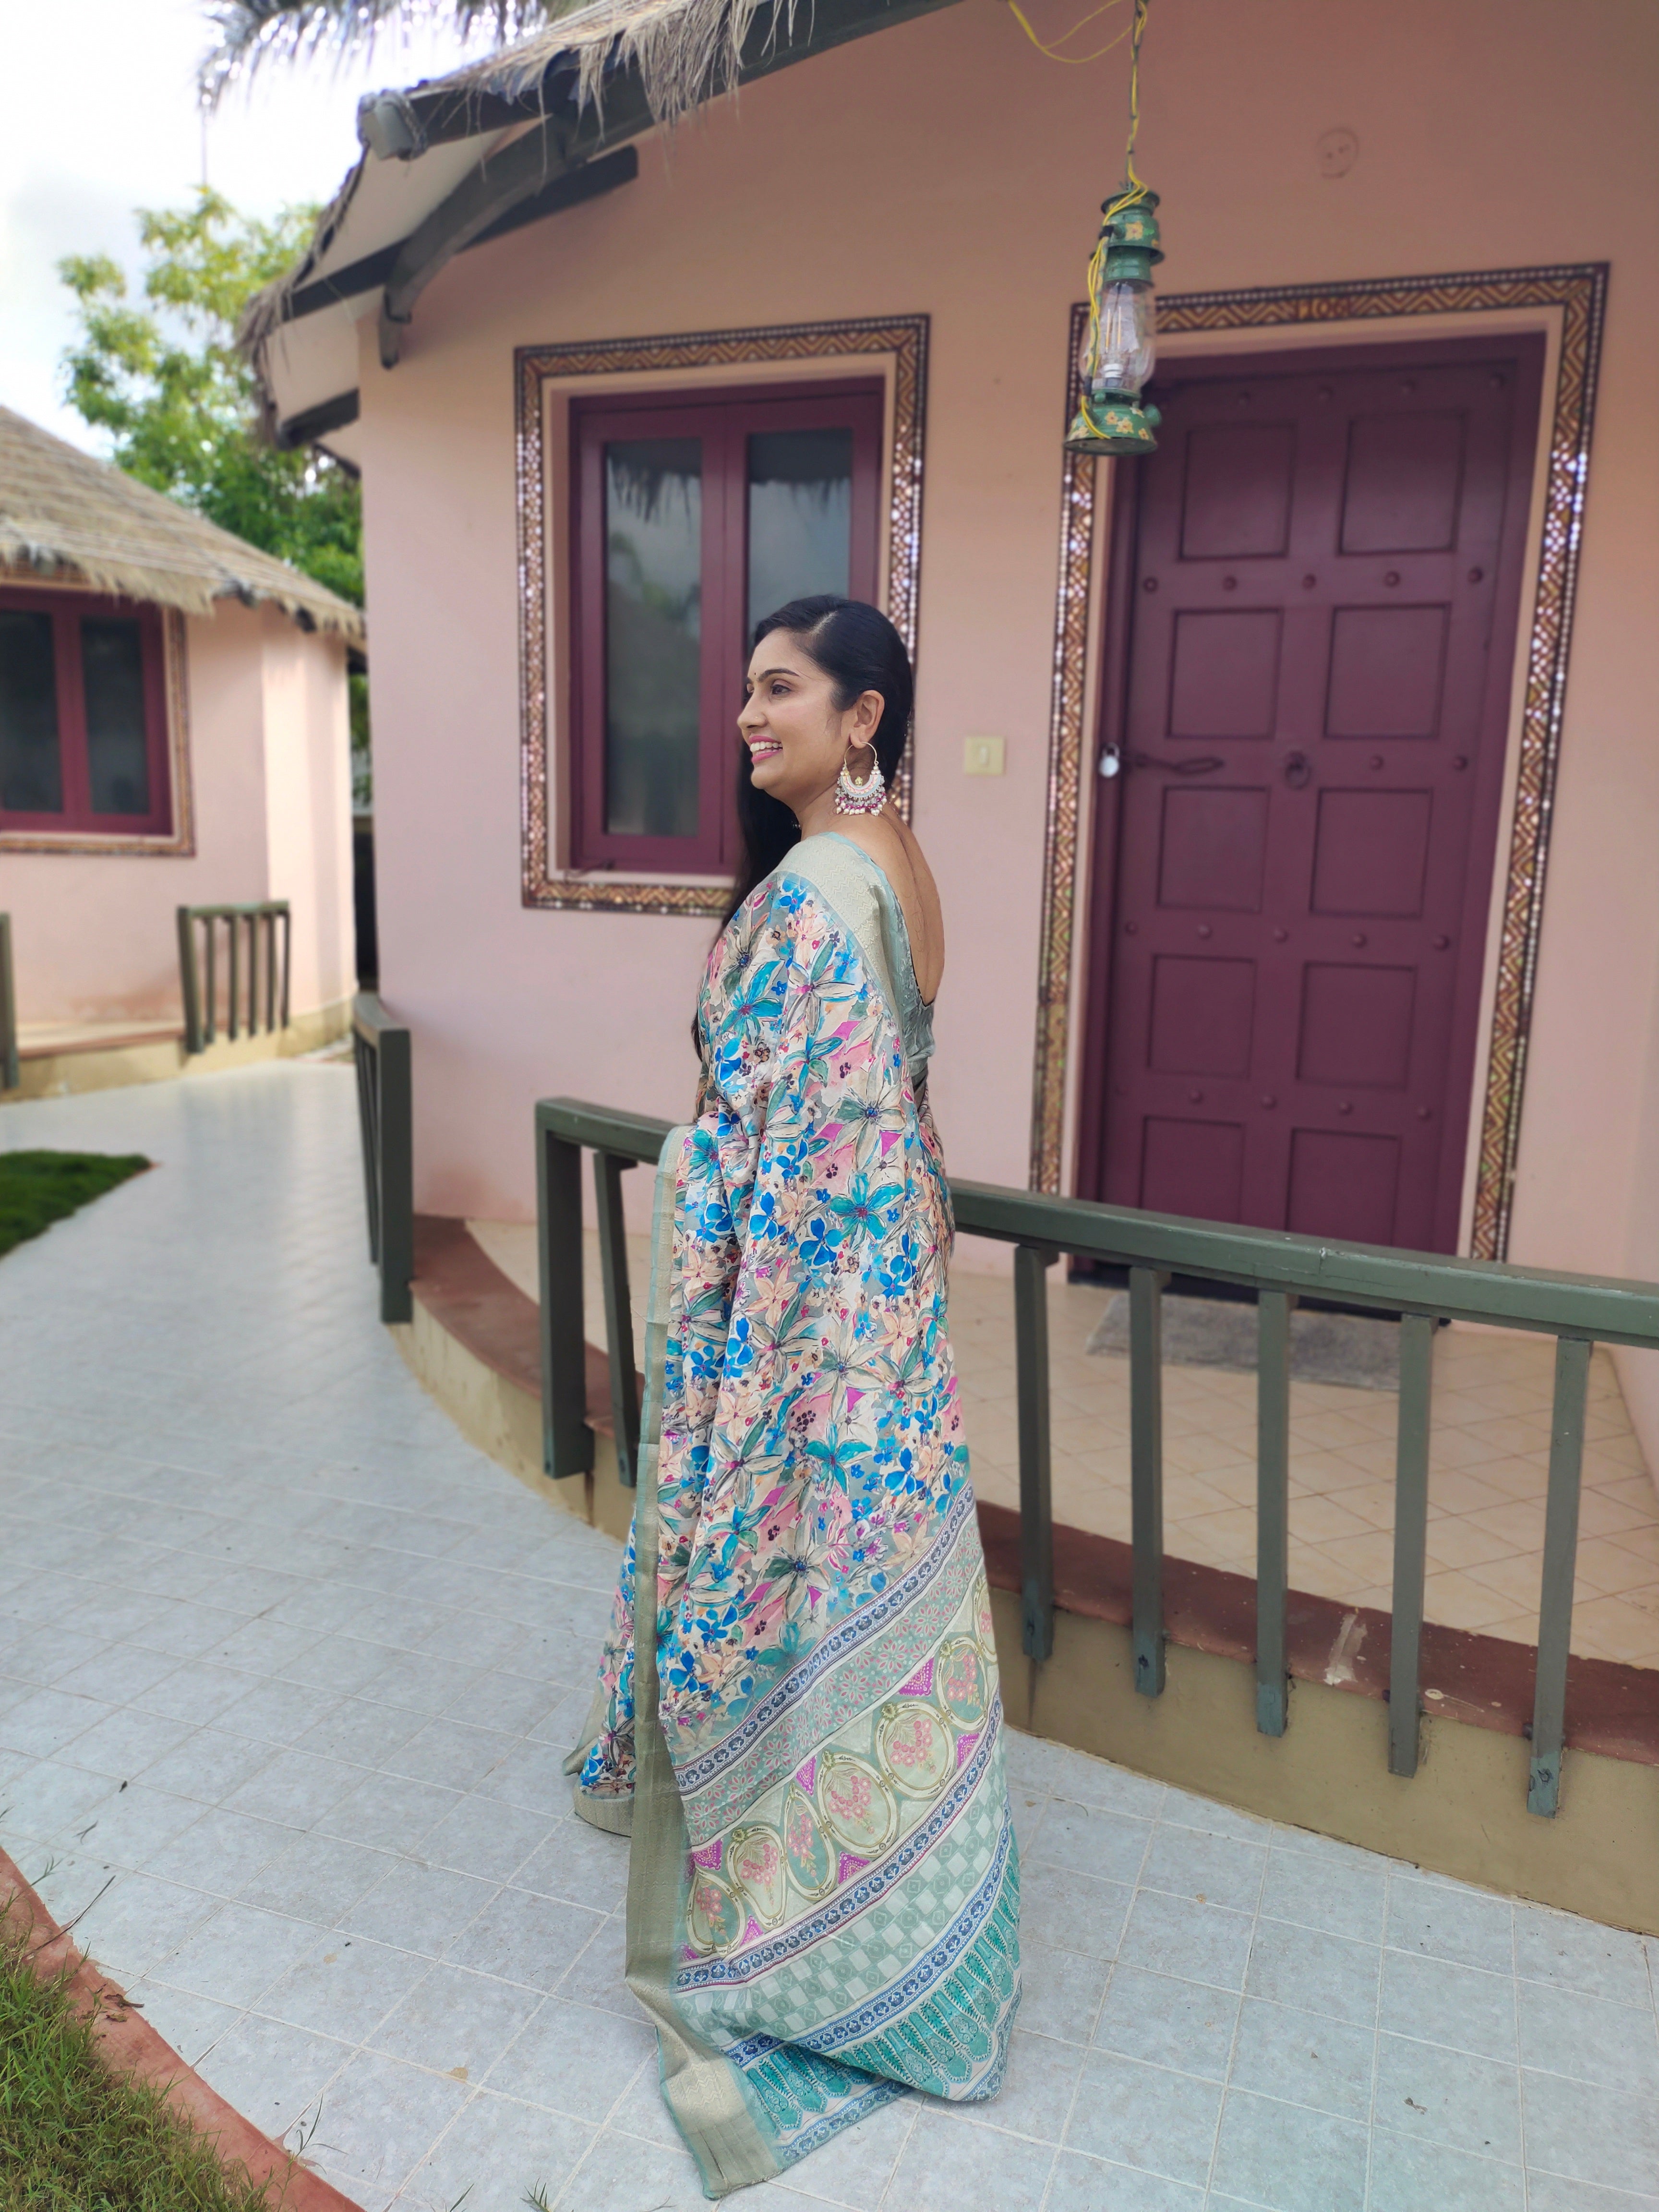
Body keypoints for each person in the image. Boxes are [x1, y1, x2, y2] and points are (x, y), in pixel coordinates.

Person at [566, 596, 1021, 2196]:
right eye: (744, 689)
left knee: (788, 1569)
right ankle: (915, 1924)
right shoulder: (900, 873)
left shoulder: (819, 897)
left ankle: (814, 1938)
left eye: (782, 689)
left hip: (808, 1307)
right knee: (873, 1576)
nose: (749, 715)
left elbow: (789, 1139)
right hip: (883, 1284)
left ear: (866, 716)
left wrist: (707, 1210)